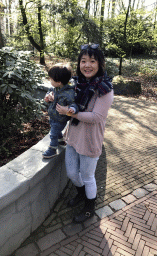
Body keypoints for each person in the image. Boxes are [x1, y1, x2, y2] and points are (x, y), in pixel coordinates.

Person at [56, 44, 114, 223]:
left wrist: (70, 112)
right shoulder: (77, 83)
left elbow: (96, 117)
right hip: (73, 136)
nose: (87, 65)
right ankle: (81, 194)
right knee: (72, 173)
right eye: (83, 61)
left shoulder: (105, 89)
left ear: (100, 64)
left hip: (90, 139)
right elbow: (63, 96)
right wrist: (53, 97)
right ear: (79, 63)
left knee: (88, 176)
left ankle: (89, 207)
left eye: (92, 61)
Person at [43, 63, 79, 159]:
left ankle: (52, 149)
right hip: (53, 116)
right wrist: (48, 96)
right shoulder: (55, 88)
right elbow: (49, 90)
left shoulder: (69, 93)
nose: (49, 80)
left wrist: (72, 109)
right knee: (56, 131)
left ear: (58, 82)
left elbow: (74, 104)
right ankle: (60, 140)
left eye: (51, 79)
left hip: (60, 118)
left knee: (53, 133)